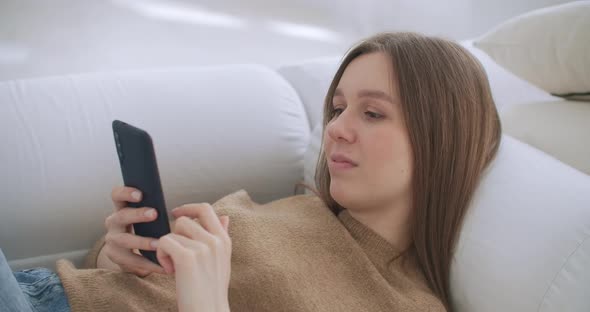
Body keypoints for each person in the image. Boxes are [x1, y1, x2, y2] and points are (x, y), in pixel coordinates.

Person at [1, 31, 501, 312]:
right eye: (337, 108)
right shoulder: (298, 207)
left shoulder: (407, 306)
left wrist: (206, 302)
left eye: (372, 113)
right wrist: (114, 259)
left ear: (441, 140)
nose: (335, 131)